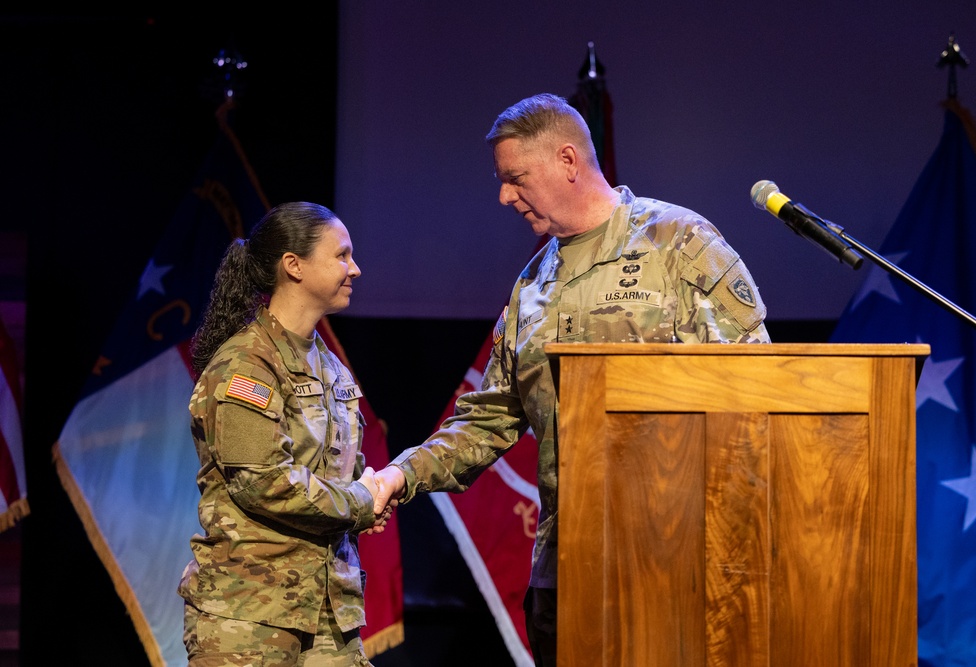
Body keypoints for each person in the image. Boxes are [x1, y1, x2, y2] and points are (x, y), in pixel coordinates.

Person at [372, 92, 771, 666]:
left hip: (678, 564)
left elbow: (758, 388)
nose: (504, 196)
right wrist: (398, 475)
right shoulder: (533, 284)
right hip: (567, 568)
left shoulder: (681, 245)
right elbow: (488, 417)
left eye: (515, 178)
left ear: (567, 160)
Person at [178, 201, 393, 667]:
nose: (355, 268)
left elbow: (342, 476)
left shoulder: (333, 370)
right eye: (341, 255)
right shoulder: (247, 365)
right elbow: (265, 483)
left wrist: (365, 501)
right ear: (293, 266)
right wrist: (358, 501)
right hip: (250, 618)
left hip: (331, 614)